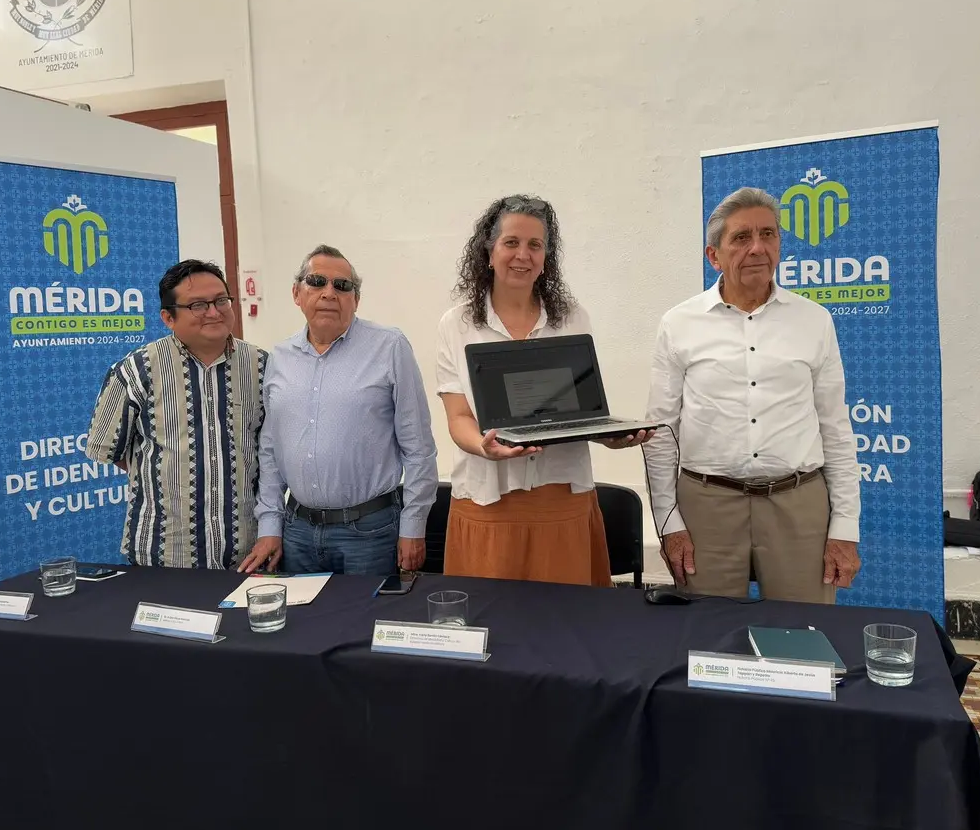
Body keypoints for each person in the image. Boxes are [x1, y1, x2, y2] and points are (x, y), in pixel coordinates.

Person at [643, 186, 861, 603]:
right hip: (706, 506)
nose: (757, 248)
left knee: (803, 642)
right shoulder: (679, 323)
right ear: (714, 256)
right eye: (741, 238)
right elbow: (661, 431)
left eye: (768, 235)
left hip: (798, 505)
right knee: (707, 639)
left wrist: (845, 529)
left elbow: (836, 427)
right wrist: (669, 524)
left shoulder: (815, 321)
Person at [435, 195, 651, 586]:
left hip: (562, 496)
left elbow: (578, 410)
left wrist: (608, 436)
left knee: (564, 627)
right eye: (511, 242)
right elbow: (459, 417)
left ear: (547, 257)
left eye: (536, 245)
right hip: (488, 498)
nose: (523, 255)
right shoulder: (457, 324)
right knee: (493, 626)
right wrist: (484, 445)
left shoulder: (572, 319)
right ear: (488, 251)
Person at [239, 245, 438, 576]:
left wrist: (413, 527)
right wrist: (270, 526)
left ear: (355, 299)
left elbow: (418, 447)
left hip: (370, 533)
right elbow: (271, 451)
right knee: (303, 626)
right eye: (316, 282)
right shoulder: (279, 358)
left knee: (363, 624)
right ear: (297, 294)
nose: (329, 293)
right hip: (297, 532)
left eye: (342, 286)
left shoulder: (389, 347)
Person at [86, 260, 267, 569]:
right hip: (164, 556)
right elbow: (112, 451)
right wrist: (171, 473)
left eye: (221, 300)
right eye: (198, 305)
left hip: (247, 557)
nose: (214, 312)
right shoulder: (135, 370)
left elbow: (270, 453)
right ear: (168, 317)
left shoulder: (262, 367)